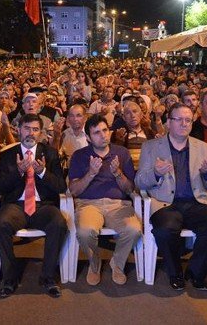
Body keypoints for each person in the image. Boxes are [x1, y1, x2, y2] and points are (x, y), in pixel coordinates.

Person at [135, 103, 207, 291]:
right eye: (179, 119)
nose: (184, 124)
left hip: (196, 202)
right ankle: (175, 272)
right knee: (165, 230)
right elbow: (140, 182)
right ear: (168, 122)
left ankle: (195, 271)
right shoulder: (151, 147)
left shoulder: (203, 147)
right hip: (166, 204)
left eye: (188, 120)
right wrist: (156, 173)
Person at [0, 113, 67, 298]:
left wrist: (42, 173)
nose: (30, 133)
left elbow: (60, 186)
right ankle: (10, 277)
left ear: (40, 132)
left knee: (58, 223)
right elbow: (0, 188)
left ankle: (48, 277)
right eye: (27, 128)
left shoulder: (50, 153)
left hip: (43, 206)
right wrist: (18, 171)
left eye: (35, 129)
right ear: (18, 129)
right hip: (16, 206)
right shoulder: (7, 154)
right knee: (0, 223)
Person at [68, 115, 141, 286]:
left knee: (134, 229)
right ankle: (94, 264)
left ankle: (117, 263)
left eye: (105, 130)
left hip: (118, 205)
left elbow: (130, 189)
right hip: (88, 204)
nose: (103, 135)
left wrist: (118, 174)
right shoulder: (79, 156)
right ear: (88, 138)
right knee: (85, 232)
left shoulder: (121, 153)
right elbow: (73, 190)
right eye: (96, 133)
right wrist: (91, 174)